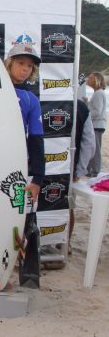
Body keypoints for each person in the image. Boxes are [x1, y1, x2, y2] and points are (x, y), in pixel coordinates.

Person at [3, 43, 45, 202]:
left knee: (15, 210)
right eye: (21, 63)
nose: (25, 69)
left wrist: (37, 179)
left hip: (17, 163)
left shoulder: (31, 99)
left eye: (30, 65)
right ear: (10, 63)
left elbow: (36, 139)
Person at [68, 99, 96, 253]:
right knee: (67, 206)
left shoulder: (35, 97)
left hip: (36, 166)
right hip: (69, 166)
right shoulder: (80, 106)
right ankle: (66, 244)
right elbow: (89, 143)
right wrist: (79, 170)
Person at [86, 72, 107, 177]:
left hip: (97, 125)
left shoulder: (98, 93)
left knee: (95, 149)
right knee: (92, 147)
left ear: (96, 80)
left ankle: (95, 171)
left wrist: (87, 116)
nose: (88, 79)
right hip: (97, 124)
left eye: (90, 77)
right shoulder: (98, 93)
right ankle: (90, 170)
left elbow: (97, 111)